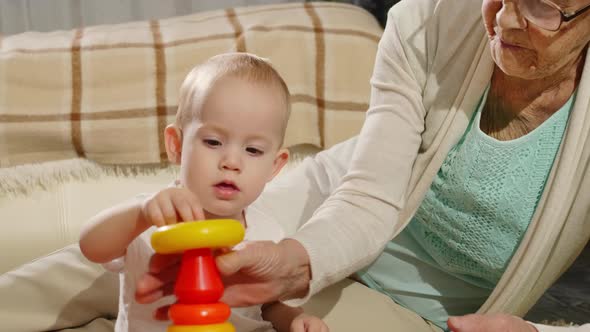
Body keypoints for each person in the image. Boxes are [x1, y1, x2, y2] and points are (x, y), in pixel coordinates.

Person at [134, 0, 590, 331]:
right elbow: (368, 195)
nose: (505, 18)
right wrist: (296, 263)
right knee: (137, 258)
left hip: (414, 310)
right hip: (322, 214)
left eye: (540, 7)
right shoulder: (426, 19)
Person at [79, 53, 329, 332]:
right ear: (176, 144)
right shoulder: (153, 215)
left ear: (274, 166)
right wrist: (141, 214)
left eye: (253, 150)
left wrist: (293, 319)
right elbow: (91, 246)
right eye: (213, 141)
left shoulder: (269, 234)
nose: (231, 162)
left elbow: (267, 305)